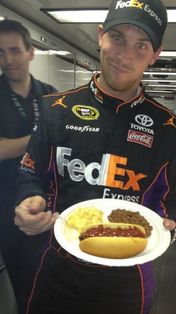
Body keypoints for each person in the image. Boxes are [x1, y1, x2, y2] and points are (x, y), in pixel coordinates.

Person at [14, 0, 176, 313]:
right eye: (117, 37)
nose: (125, 56)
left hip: (129, 281)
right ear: (100, 36)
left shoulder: (170, 129)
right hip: (56, 268)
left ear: (156, 54)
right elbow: (30, 174)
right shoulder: (55, 109)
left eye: (141, 45)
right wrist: (30, 199)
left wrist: (172, 223)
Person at [0, 19, 57, 313]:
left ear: (30, 52)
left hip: (42, 201)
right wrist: (36, 139)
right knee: (17, 275)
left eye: (14, 50)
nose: (7, 60)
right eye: (0, 52)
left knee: (45, 271)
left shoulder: (51, 95)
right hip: (4, 204)